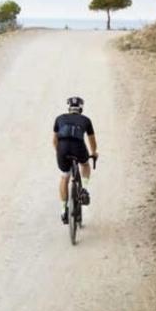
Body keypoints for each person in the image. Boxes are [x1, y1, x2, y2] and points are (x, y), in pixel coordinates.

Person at [54, 96, 99, 224]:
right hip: (78, 146)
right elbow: (92, 141)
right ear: (81, 108)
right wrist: (94, 152)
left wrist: (59, 153)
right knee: (85, 165)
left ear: (69, 108)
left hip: (62, 148)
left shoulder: (59, 118)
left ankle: (63, 210)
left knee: (64, 176)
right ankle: (84, 189)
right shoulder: (86, 120)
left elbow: (54, 141)